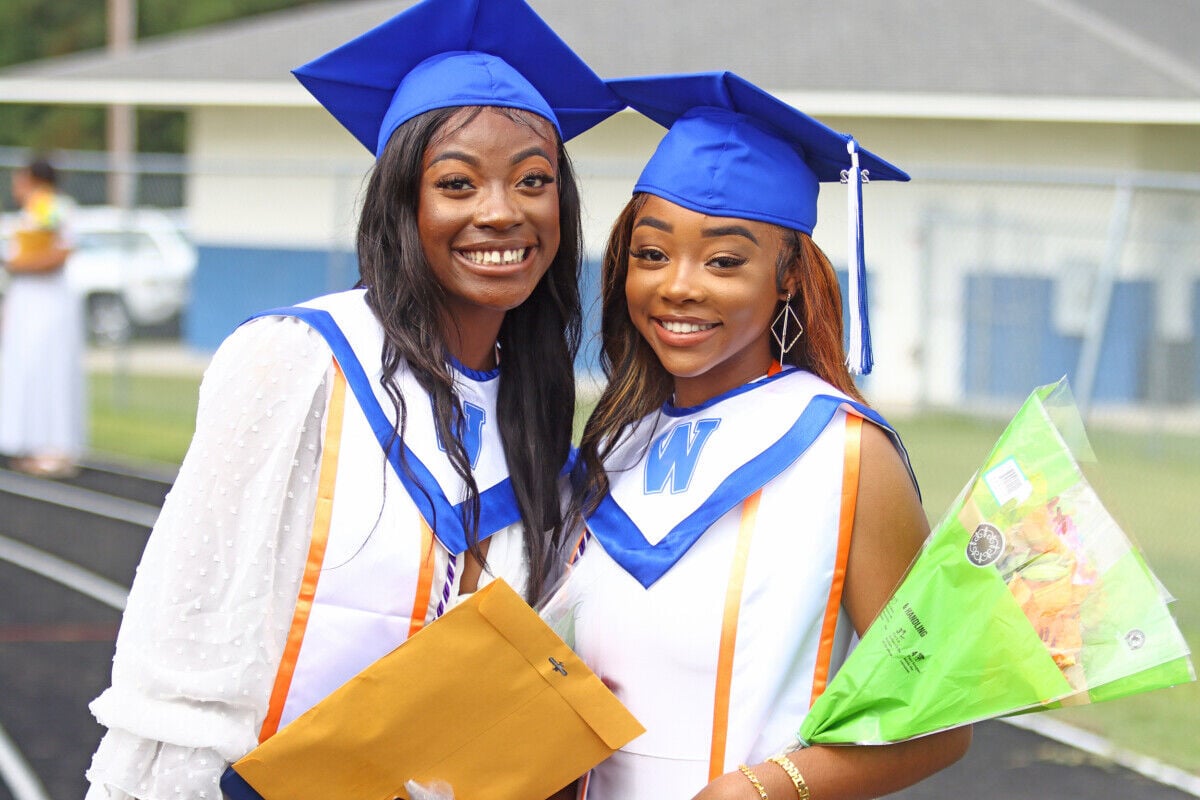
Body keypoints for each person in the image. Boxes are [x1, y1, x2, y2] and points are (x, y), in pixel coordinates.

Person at [84, 1, 621, 798]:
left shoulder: (535, 421)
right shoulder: (298, 362)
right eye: (457, 182)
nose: (501, 210)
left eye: (532, 181)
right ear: (403, 204)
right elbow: (188, 633)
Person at [567, 72, 972, 799]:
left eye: (725, 260)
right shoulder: (613, 448)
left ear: (787, 275)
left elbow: (939, 723)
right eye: (652, 254)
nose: (679, 286)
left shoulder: (846, 451)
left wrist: (768, 786)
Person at [0, 157, 85, 478]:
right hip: (26, 301)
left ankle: (57, 448)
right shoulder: (28, 213)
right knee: (27, 368)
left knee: (51, 367)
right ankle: (32, 442)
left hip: (48, 303)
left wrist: (17, 265)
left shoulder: (55, 208)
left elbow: (60, 252)